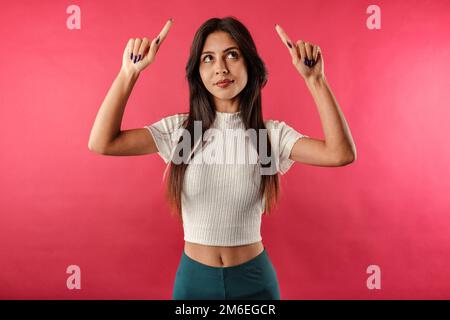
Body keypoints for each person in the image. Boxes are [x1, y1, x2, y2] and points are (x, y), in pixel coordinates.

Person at [88, 16, 356, 300]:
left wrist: (316, 80)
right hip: (194, 283)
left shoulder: (267, 136)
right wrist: (129, 72)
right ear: (197, 72)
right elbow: (103, 142)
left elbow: (339, 154)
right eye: (208, 58)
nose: (221, 69)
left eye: (232, 55)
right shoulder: (183, 132)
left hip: (255, 283)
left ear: (250, 64)